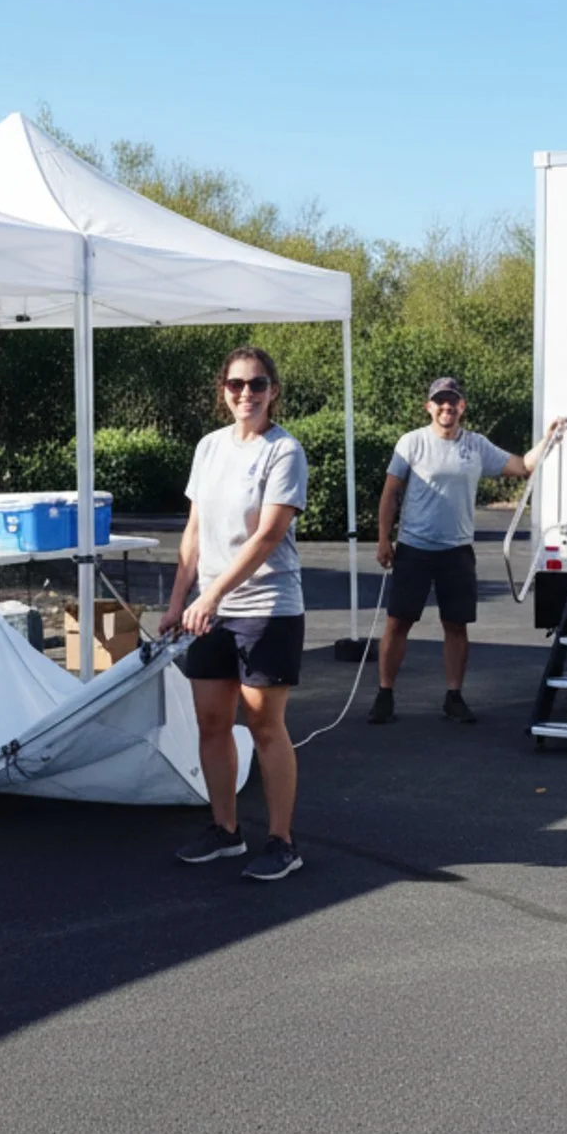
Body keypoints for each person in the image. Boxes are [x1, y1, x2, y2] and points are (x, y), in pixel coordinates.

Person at [168, 346, 310, 882]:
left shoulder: (284, 452)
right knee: (210, 722)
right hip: (209, 610)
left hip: (266, 607)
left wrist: (212, 596)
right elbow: (194, 531)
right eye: (235, 385)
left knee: (264, 724)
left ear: (273, 390)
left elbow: (269, 535)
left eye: (256, 384)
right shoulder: (209, 448)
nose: (245, 394)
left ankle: (282, 841)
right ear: (222, 390)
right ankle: (225, 830)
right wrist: (181, 599)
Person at [371, 377, 566, 725]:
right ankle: (385, 694)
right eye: (440, 401)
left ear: (462, 406)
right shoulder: (411, 443)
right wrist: (384, 539)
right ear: (429, 406)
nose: (447, 407)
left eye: (453, 401)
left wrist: (548, 438)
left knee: (456, 625)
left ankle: (454, 696)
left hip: (457, 551)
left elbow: (523, 466)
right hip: (414, 549)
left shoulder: (476, 445)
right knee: (398, 622)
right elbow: (390, 493)